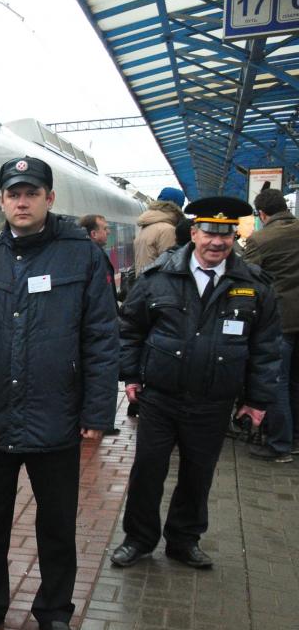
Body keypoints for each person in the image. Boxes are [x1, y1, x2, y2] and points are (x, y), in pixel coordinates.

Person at [0, 156, 119, 630]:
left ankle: (54, 613)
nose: (22, 201)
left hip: (56, 416)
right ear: (1, 201)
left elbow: (102, 339)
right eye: (13, 193)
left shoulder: (81, 256)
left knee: (57, 525)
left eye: (31, 192)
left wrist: (97, 414)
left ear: (49, 199)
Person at [112, 197, 281, 570]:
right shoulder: (159, 277)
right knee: (147, 472)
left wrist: (257, 399)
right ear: (194, 233)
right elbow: (131, 330)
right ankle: (138, 539)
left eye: (225, 234)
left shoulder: (253, 286)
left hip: (213, 401)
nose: (216, 242)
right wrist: (131, 376)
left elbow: (266, 347)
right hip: (160, 398)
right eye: (209, 232)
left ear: (233, 236)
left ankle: (184, 541)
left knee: (197, 474)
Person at [243, 188, 299, 463]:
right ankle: (295, 437)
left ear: (262, 214)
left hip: (281, 322)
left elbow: (247, 278)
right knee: (296, 383)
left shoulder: (261, 239)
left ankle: (280, 446)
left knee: (276, 384)